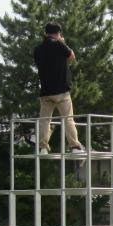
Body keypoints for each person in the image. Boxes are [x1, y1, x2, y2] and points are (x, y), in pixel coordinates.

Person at [34, 22, 84, 155]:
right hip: (62, 91)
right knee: (68, 119)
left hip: (45, 91)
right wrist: (62, 42)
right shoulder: (59, 44)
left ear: (46, 33)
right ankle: (75, 146)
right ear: (58, 33)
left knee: (44, 121)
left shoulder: (38, 49)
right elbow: (72, 56)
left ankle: (43, 148)